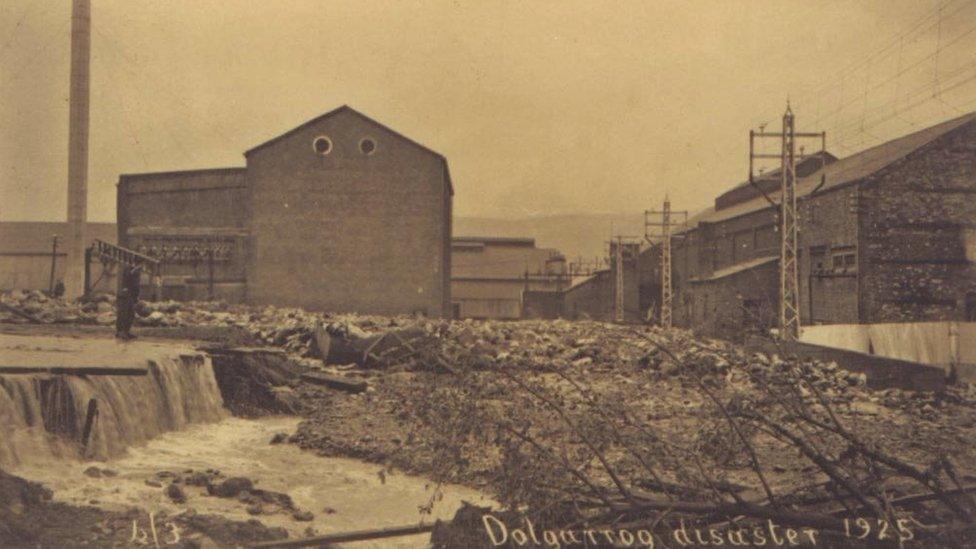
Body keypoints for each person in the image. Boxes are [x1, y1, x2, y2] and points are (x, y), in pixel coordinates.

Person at [115, 265, 142, 340]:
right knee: (123, 313)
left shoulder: (134, 271)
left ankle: (126, 331)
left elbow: (136, 286)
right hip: (125, 294)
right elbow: (128, 284)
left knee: (130, 314)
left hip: (130, 294)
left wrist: (136, 296)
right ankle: (121, 331)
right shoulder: (129, 271)